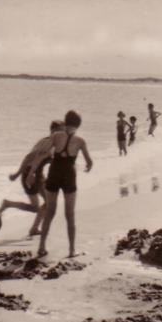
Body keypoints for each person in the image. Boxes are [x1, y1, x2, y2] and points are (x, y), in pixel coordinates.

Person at [38, 110, 93, 258]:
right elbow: (89, 162)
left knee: (50, 212)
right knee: (70, 215)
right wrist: (88, 166)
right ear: (78, 125)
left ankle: (41, 246)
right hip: (69, 176)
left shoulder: (56, 136)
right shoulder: (80, 141)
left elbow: (45, 153)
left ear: (65, 121)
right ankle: (71, 250)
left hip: (54, 174)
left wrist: (33, 172)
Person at [1, 120, 65, 236]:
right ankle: (34, 228)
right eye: (62, 130)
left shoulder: (51, 143)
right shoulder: (48, 142)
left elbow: (45, 160)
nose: (64, 134)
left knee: (37, 207)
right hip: (32, 175)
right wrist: (21, 174)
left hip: (35, 174)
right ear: (54, 131)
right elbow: (30, 158)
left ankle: (8, 204)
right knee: (49, 203)